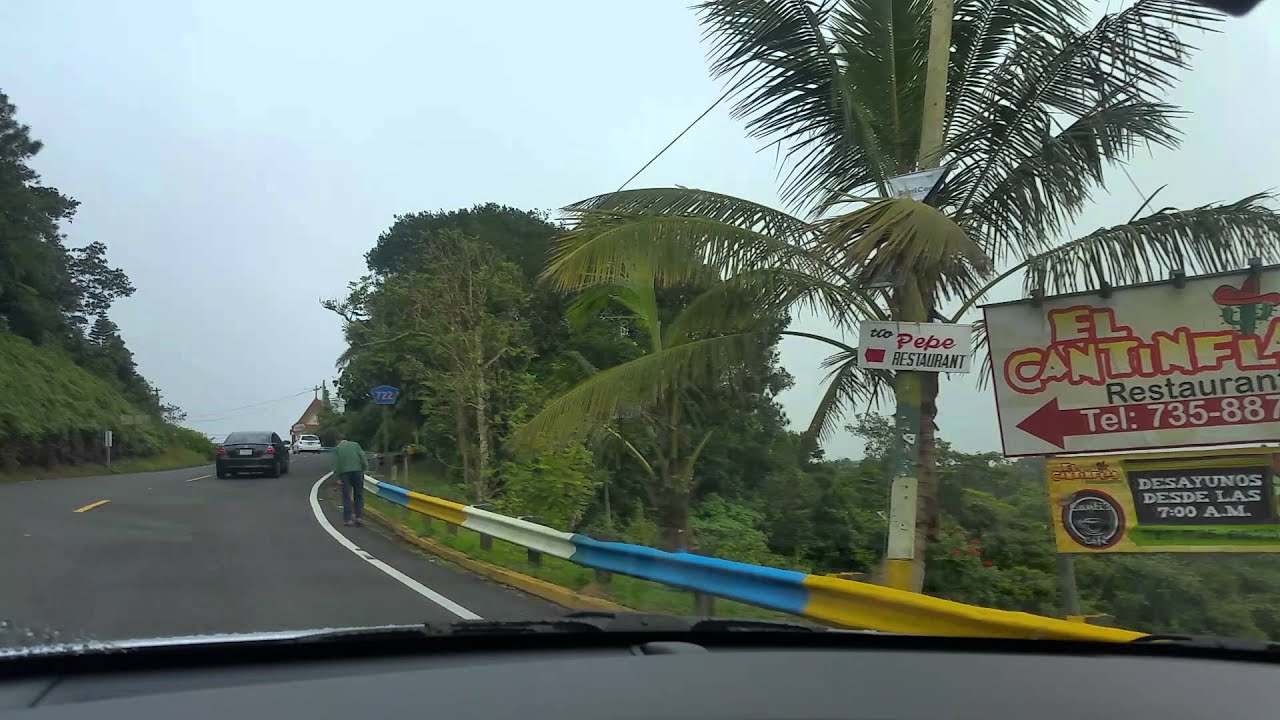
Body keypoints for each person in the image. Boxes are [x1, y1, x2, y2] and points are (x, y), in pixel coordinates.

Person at [331, 432, 368, 527]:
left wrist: (337, 477)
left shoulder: (337, 449)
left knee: (346, 496)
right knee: (358, 495)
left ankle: (347, 519)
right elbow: (362, 457)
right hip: (357, 472)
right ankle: (359, 517)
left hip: (345, 474)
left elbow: (336, 464)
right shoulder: (355, 445)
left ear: (337, 441)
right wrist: (364, 468)